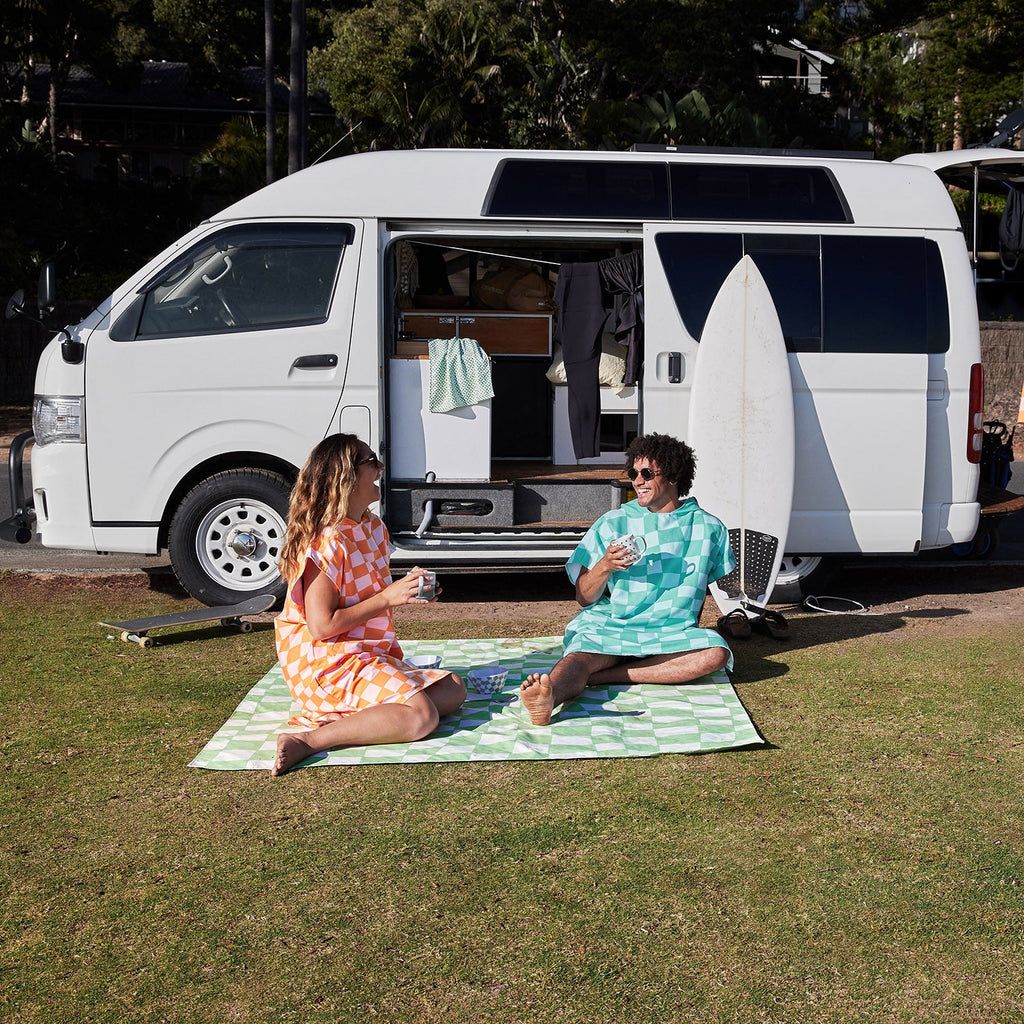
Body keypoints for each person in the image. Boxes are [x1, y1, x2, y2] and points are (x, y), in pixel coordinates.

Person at [271, 433, 466, 775]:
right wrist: (388, 597)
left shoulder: (372, 526)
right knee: (422, 716)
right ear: (346, 477)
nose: (381, 467)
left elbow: (368, 591)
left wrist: (408, 589)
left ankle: (355, 716)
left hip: (363, 653)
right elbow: (322, 626)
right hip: (328, 664)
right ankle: (308, 741)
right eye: (372, 462)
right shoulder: (327, 541)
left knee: (454, 690)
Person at [520, 432, 734, 726]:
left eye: (646, 473)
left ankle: (605, 676)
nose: (637, 480)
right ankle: (549, 697)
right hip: (614, 624)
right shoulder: (614, 521)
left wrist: (685, 631)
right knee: (579, 657)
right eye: (633, 473)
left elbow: (699, 591)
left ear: (673, 476)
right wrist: (605, 565)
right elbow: (583, 598)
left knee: (716, 654)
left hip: (668, 632)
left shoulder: (709, 528)